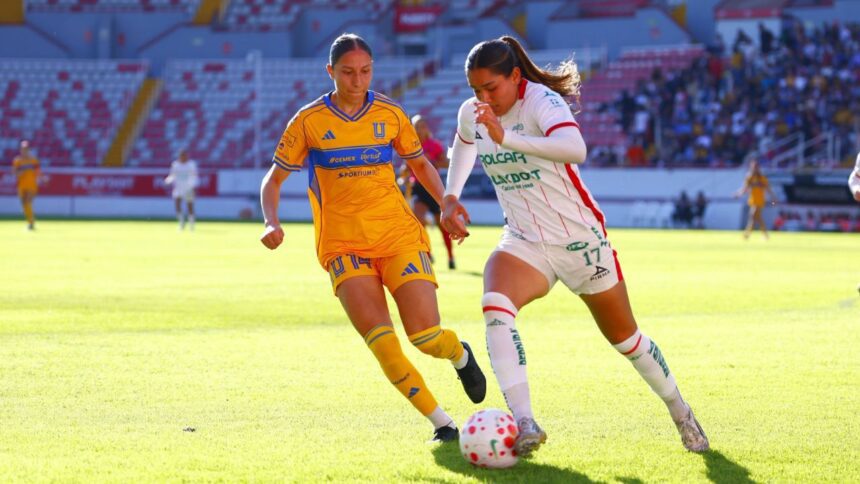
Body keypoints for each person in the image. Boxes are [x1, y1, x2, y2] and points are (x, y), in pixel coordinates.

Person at [440, 36, 709, 456]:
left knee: (626, 339)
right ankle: (525, 422)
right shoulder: (473, 114)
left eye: (491, 88)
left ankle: (680, 411)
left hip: (579, 239)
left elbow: (575, 149)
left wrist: (507, 138)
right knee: (495, 305)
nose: (483, 98)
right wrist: (451, 196)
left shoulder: (542, 101)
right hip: (525, 239)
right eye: (476, 91)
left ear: (514, 76)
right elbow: (464, 143)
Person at [259, 33, 486, 443]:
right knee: (384, 345)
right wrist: (271, 221)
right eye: (347, 72)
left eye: (365, 71)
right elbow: (272, 181)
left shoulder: (391, 114)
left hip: (398, 237)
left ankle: (459, 354)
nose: (357, 80)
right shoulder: (308, 121)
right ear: (331, 72)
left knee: (425, 337)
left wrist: (447, 203)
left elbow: (419, 164)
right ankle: (443, 424)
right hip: (343, 247)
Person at [398, 114, 456, 269]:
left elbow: (445, 163)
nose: (418, 129)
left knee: (441, 224)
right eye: (415, 126)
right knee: (418, 221)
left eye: (421, 126)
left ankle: (450, 257)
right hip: (418, 188)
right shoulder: (410, 145)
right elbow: (406, 167)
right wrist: (403, 176)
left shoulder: (434, 145)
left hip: (433, 186)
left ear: (426, 128)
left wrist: (432, 161)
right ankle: (428, 254)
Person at [734, 160, 777, 239]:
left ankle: (747, 233)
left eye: (756, 167)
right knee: (757, 217)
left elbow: (768, 189)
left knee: (753, 215)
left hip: (760, 200)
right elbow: (744, 189)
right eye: (753, 167)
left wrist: (774, 198)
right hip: (752, 199)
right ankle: (765, 234)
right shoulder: (749, 178)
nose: (755, 169)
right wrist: (738, 194)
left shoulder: (762, 178)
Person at [164, 149, 199, 231]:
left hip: (188, 188)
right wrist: (168, 180)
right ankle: (181, 223)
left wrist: (192, 186)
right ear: (179, 156)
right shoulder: (175, 165)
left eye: (185, 155)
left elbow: (194, 176)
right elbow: (172, 175)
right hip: (178, 188)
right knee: (177, 205)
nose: (184, 157)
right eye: (182, 155)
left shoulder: (191, 165)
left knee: (190, 206)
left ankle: (191, 225)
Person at [11, 140, 40, 230]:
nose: (25, 150)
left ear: (29, 149)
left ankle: (31, 223)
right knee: (24, 204)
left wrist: (43, 179)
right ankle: (30, 221)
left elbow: (38, 172)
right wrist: (20, 173)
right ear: (20, 149)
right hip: (22, 185)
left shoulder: (33, 160)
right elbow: (14, 173)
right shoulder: (17, 160)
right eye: (23, 149)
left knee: (28, 202)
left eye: (26, 149)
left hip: (31, 185)